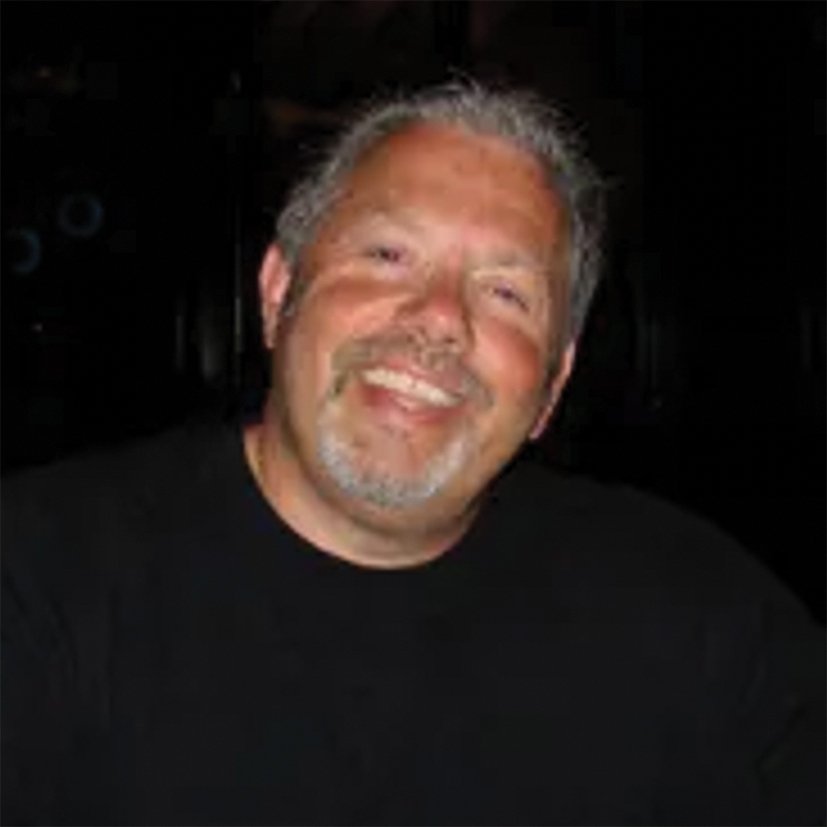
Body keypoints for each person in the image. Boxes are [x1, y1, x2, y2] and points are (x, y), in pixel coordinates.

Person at [2, 81, 824, 827]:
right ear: (278, 293)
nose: (439, 319)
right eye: (387, 254)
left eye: (505, 292)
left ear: (552, 382)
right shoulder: (38, 583)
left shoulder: (707, 625)